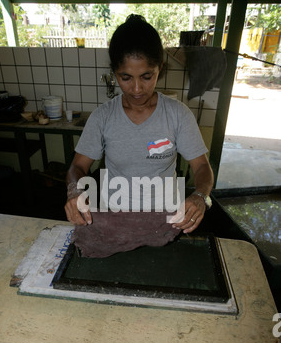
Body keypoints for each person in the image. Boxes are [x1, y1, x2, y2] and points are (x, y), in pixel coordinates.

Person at [65, 14, 213, 234]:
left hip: (166, 221)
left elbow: (202, 167)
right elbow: (78, 167)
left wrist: (200, 196)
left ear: (159, 69)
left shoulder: (177, 114)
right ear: (114, 72)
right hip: (114, 219)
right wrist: (74, 192)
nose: (136, 89)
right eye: (126, 78)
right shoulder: (103, 117)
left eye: (146, 76)